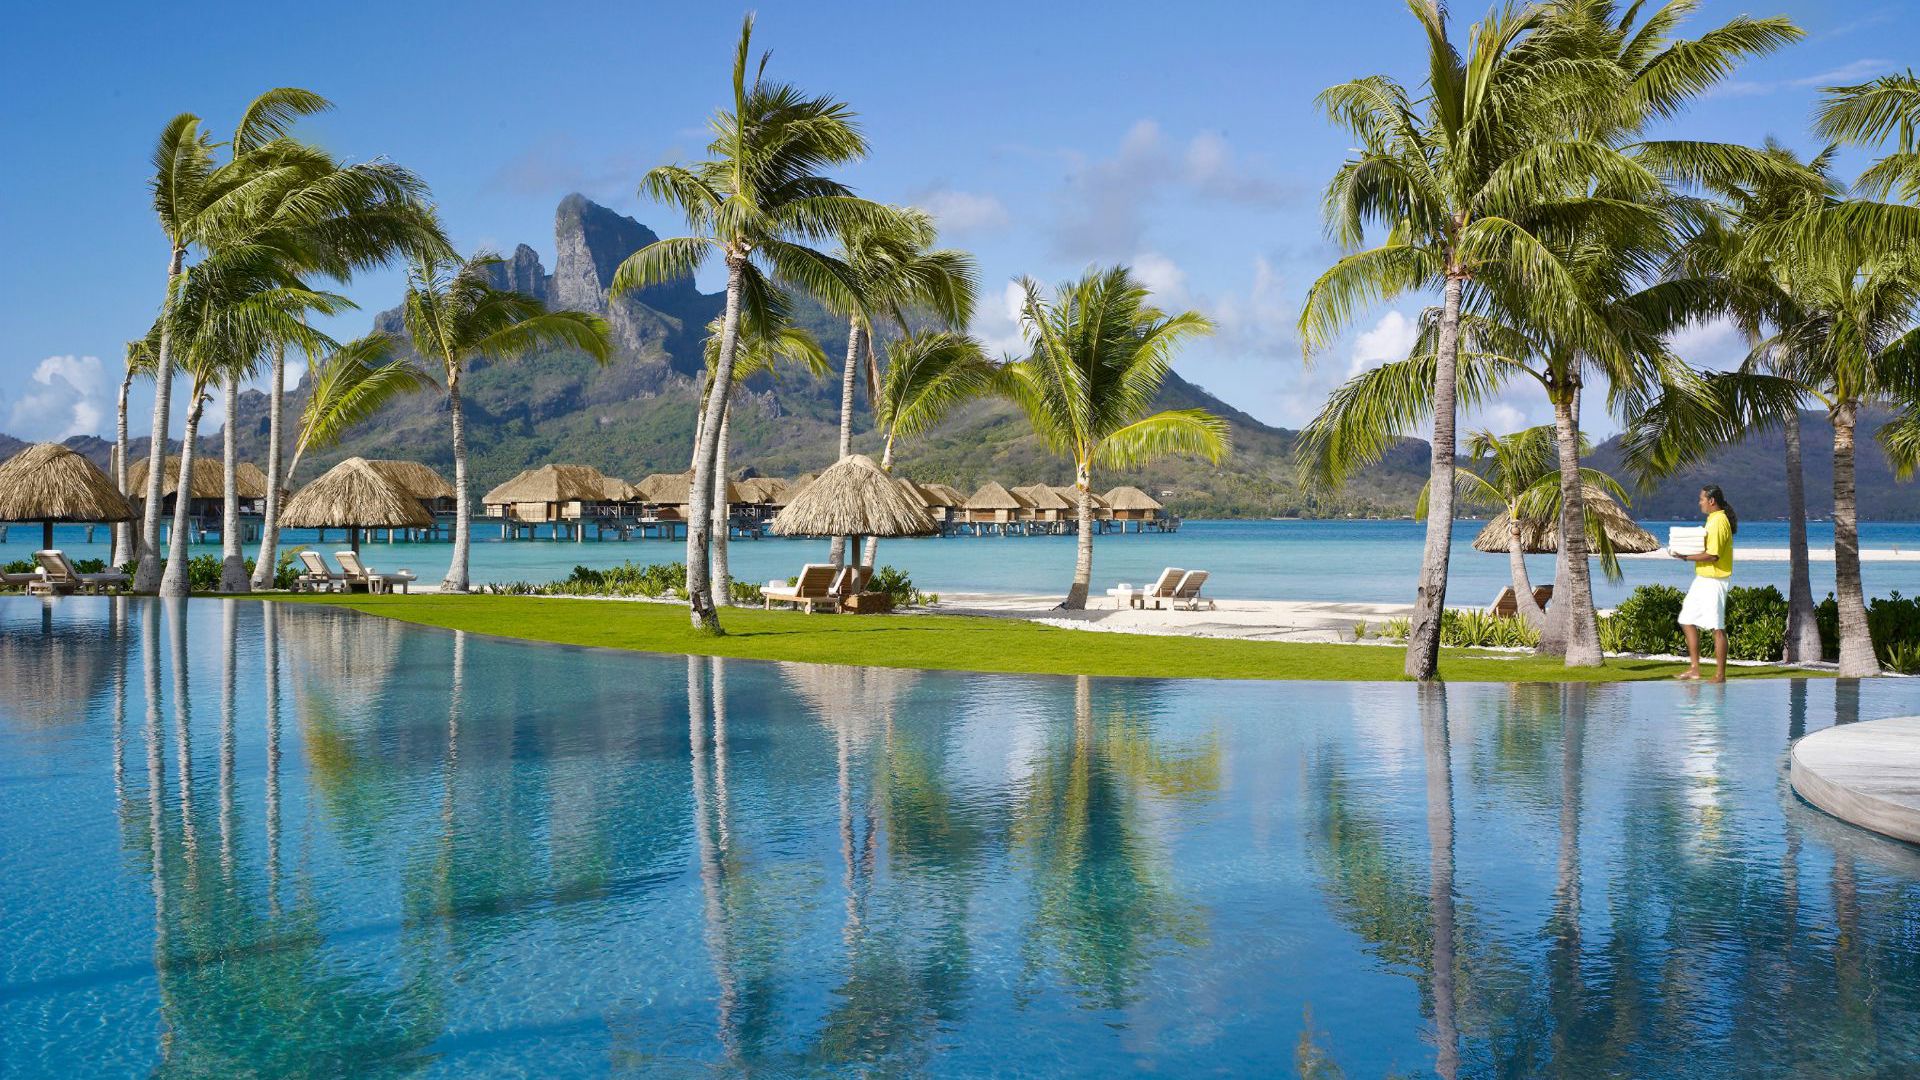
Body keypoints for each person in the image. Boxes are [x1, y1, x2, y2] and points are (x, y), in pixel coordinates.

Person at [1672, 485, 1736, 682]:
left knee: (1717, 627)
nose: (1699, 503)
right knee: (1686, 619)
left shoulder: (1718, 522)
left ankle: (1720, 675)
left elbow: (1713, 555)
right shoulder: (1712, 520)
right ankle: (1694, 668)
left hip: (1714, 580)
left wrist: (1685, 557)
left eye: (1701, 499)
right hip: (1703, 578)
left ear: (1711, 501)